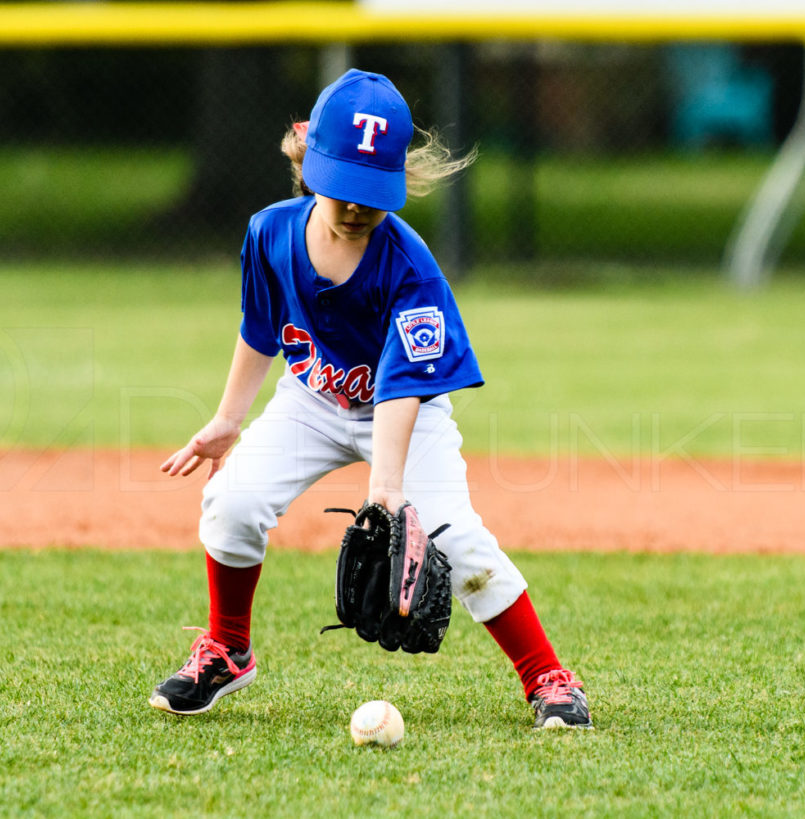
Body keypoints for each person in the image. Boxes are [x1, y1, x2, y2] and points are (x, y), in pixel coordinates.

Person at [148, 68, 592, 730]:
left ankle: (547, 676)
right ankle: (226, 648)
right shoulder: (269, 234)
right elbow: (260, 328)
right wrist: (226, 420)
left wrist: (387, 488)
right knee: (232, 501)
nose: (357, 206)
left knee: (454, 538)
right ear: (310, 164)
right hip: (311, 401)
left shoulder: (410, 270)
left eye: (372, 194)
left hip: (405, 415)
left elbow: (403, 386)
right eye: (344, 189)